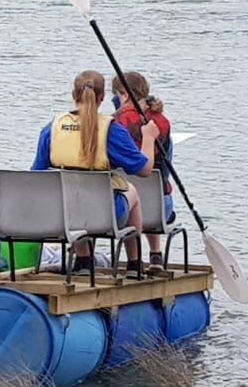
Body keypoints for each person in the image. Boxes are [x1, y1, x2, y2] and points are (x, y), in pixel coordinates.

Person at [33, 70, 159, 279]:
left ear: (74, 94)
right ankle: (134, 264)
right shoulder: (111, 130)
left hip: (64, 215)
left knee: (74, 198)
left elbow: (37, 175)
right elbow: (144, 170)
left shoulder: (52, 129)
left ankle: (84, 260)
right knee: (132, 191)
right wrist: (148, 138)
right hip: (105, 215)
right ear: (101, 98)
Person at [112, 71, 174, 275]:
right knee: (162, 165)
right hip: (159, 208)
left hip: (116, 210)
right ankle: (155, 253)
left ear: (125, 95)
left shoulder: (112, 123)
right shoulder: (162, 122)